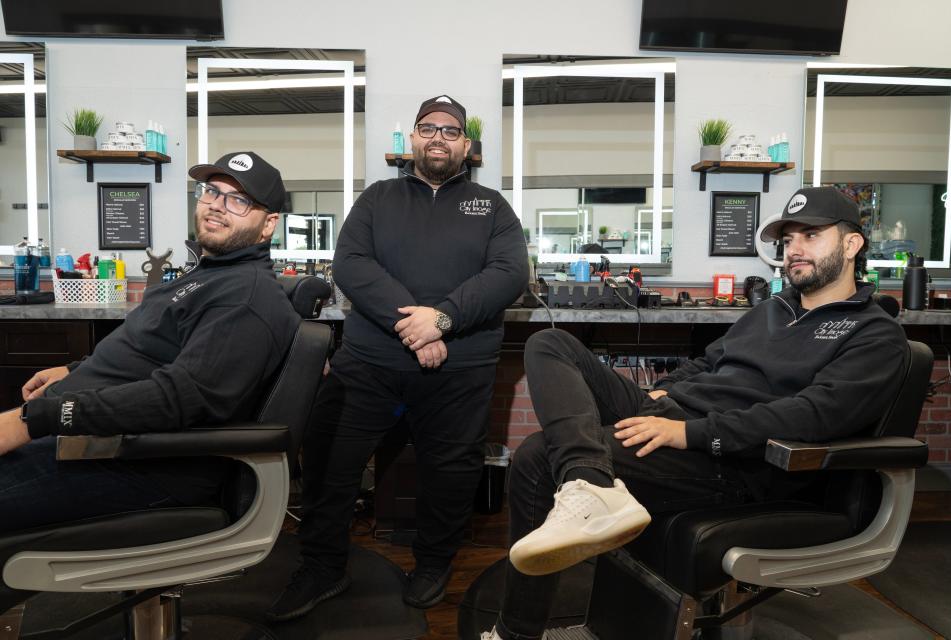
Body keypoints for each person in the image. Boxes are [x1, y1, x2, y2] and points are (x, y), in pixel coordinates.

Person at [482, 187, 909, 640]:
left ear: (851, 244)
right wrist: (662, 395)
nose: (794, 249)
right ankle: (593, 484)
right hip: (679, 416)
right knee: (550, 343)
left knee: (536, 455)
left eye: (810, 235)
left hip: (733, 461)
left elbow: (812, 416)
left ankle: (518, 632)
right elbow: (707, 363)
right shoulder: (769, 310)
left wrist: (689, 433)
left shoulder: (873, 334)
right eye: (788, 240)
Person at [0, 151, 300, 610]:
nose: (216, 204)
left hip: (147, 466)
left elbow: (181, 397)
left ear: (268, 224)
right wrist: (76, 371)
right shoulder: (210, 275)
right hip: (106, 445)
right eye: (211, 192)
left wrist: (36, 418)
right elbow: (148, 350)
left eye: (238, 200)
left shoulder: (246, 296)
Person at [267, 95, 528, 621]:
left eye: (451, 131)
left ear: (467, 146)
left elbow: (508, 274)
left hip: (461, 368)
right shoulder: (377, 199)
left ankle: (433, 564)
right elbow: (352, 265)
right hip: (371, 364)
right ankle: (322, 565)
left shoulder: (492, 206)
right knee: (329, 458)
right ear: (412, 140)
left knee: (451, 472)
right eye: (428, 128)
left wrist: (444, 319)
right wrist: (418, 327)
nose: (439, 138)